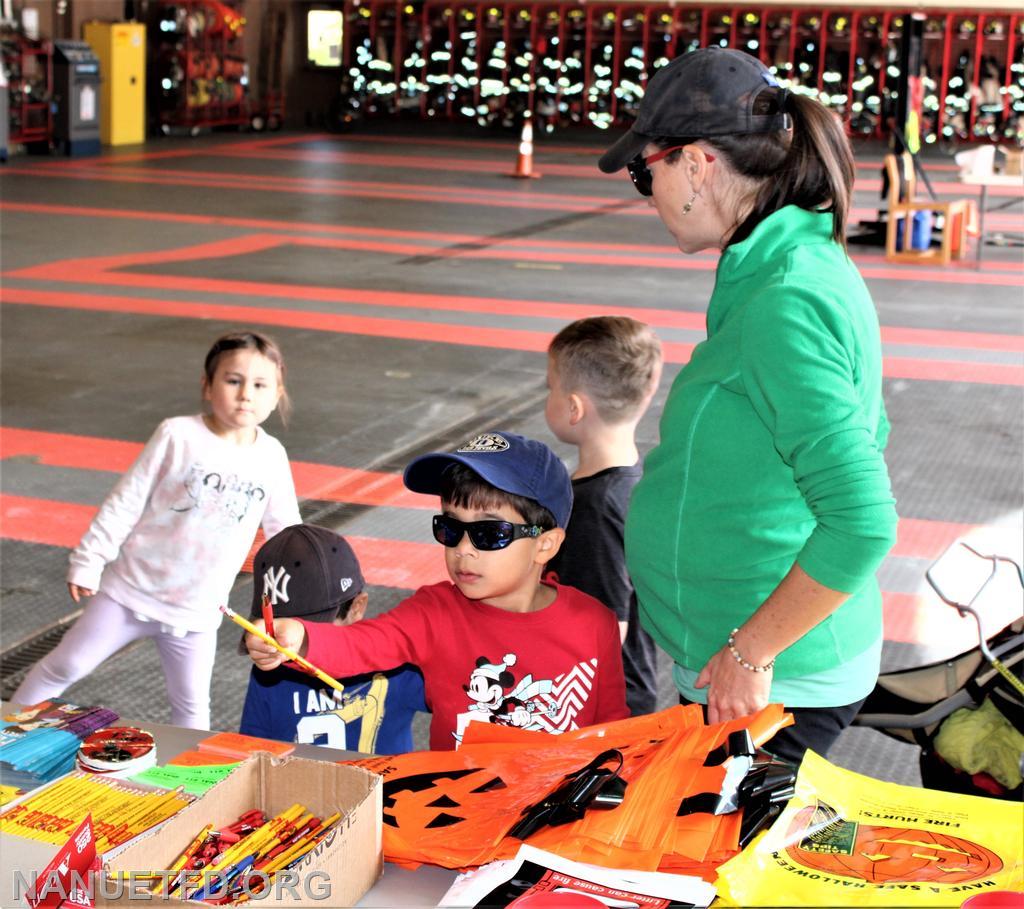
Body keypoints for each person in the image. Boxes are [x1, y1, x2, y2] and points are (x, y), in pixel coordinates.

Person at [597, 48, 898, 765]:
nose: (647, 193)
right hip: (746, 661)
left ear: (697, 165)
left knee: (722, 872)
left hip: (771, 679)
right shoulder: (773, 263)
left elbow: (862, 520)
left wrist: (751, 649)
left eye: (647, 172)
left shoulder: (784, 299)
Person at [244, 431, 628, 750]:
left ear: (545, 544)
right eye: (449, 527)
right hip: (459, 818)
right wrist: (299, 638)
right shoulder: (434, 612)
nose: (462, 548)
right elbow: (364, 643)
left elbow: (614, 728)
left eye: (488, 533)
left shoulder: (594, 623)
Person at [12, 331, 300, 730]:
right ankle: (8, 733)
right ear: (207, 386)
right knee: (66, 665)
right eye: (233, 381)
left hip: (197, 611)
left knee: (191, 709)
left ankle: (188, 787)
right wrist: (89, 560)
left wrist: (297, 607)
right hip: (129, 593)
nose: (245, 394)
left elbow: (287, 534)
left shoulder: (271, 456)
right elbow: (126, 500)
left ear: (277, 393)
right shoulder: (178, 435)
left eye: (260, 385)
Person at [545, 316, 664, 715]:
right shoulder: (635, 483)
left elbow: (604, 633)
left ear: (574, 407)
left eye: (550, 389)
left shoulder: (595, 509)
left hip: (600, 714)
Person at [239, 524, 426, 753]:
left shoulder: (396, 661)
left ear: (357, 608)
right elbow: (253, 750)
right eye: (275, 634)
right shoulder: (269, 670)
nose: (288, 645)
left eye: (308, 634)